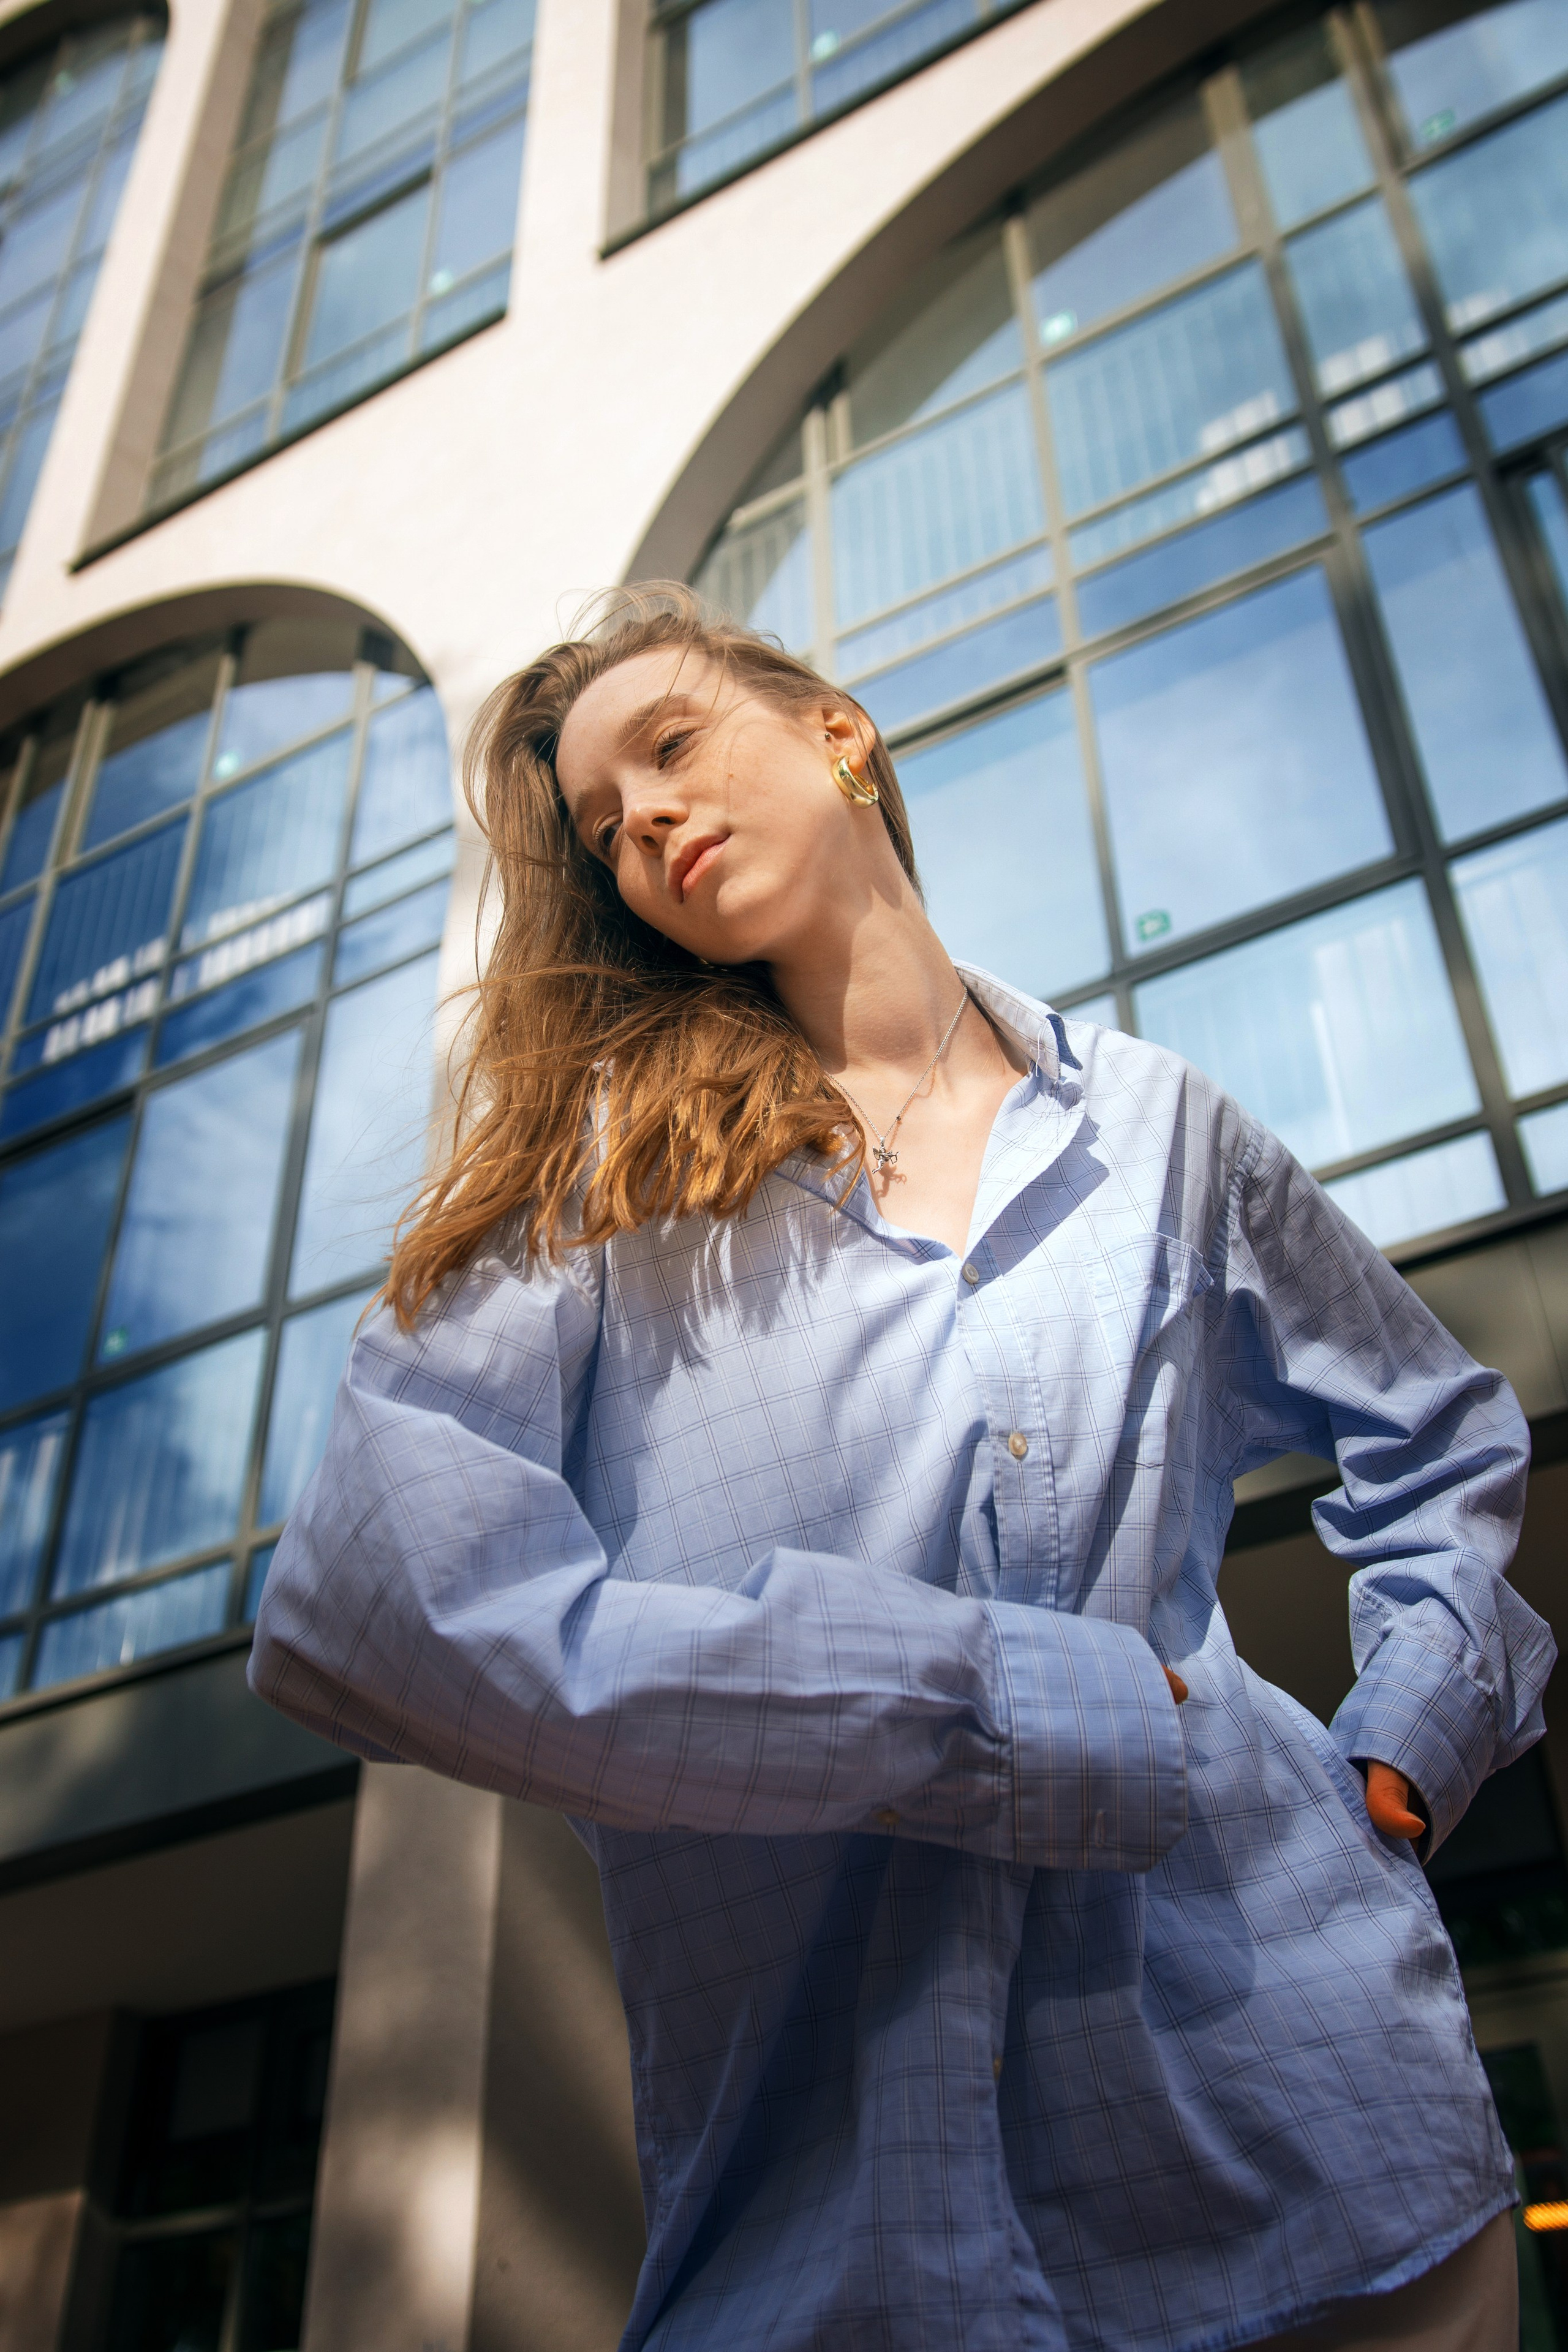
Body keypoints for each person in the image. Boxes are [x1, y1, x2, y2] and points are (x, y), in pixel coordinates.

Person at [251, 587, 1554, 2352]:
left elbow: (1442, 1434)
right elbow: (375, 1605)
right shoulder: (594, 1181)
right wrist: (982, 1708)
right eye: (604, 828)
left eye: (674, 746)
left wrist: (1398, 1757)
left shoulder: (1163, 1129)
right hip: (848, 2247)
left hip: (1336, 2161)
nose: (646, 822)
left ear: (836, 730)